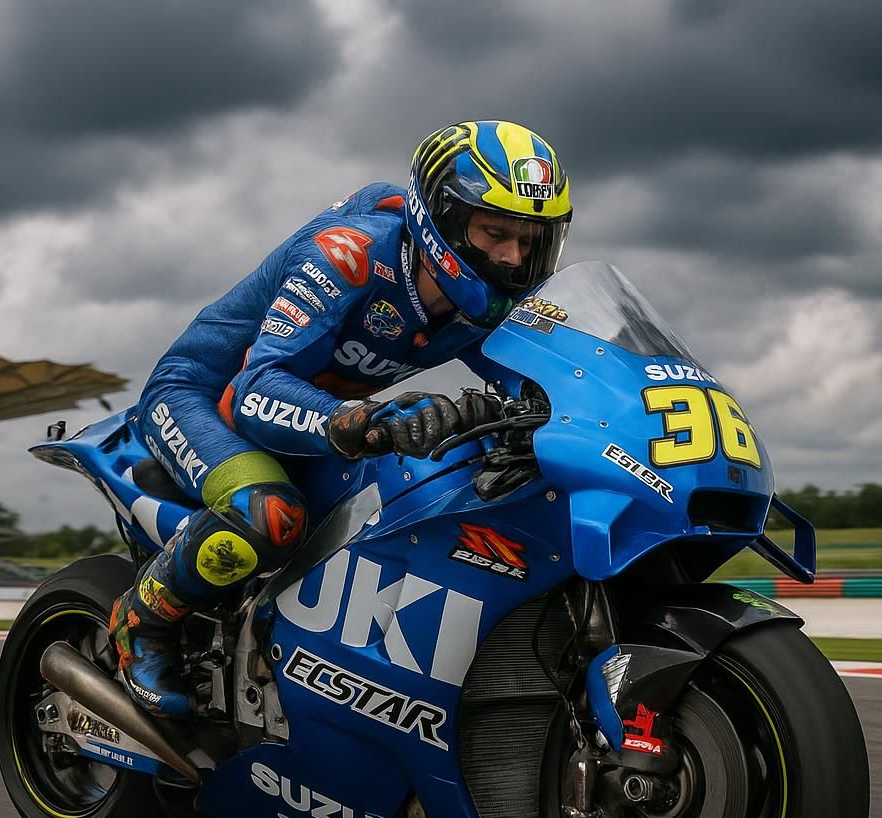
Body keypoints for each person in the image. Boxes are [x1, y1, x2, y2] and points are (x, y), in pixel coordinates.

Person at [110, 120, 573, 717]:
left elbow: (546, 384)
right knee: (271, 516)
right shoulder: (348, 255)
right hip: (203, 397)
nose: (513, 257)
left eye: (531, 239)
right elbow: (252, 393)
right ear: (445, 218)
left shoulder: (477, 306)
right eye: (495, 232)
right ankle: (142, 621)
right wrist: (366, 420)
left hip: (312, 416)